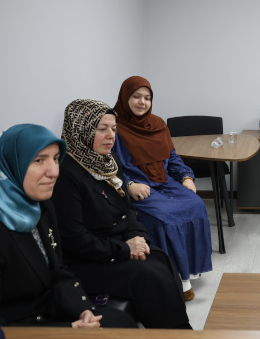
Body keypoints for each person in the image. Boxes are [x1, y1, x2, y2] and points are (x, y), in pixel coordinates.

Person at [0, 124, 136, 338]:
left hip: (47, 316)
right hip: (16, 331)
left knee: (123, 323)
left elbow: (58, 270)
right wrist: (66, 332)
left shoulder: (39, 207)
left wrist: (82, 309)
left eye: (56, 159)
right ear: (12, 164)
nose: (53, 171)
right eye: (39, 160)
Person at [52, 99, 192, 329]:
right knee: (148, 274)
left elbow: (127, 210)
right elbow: (74, 240)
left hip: (115, 244)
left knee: (159, 258)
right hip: (88, 260)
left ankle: (177, 330)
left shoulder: (109, 161)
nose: (111, 136)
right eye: (102, 129)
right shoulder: (66, 175)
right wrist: (126, 248)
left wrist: (138, 237)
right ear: (80, 131)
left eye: (114, 129)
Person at [112, 76, 212, 301]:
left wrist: (186, 177)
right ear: (125, 97)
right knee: (164, 217)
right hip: (139, 187)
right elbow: (110, 165)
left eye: (147, 98)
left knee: (196, 204)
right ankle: (174, 278)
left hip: (164, 182)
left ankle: (189, 270)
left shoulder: (158, 124)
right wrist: (129, 184)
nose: (142, 102)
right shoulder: (115, 128)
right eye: (136, 96)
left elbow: (172, 157)